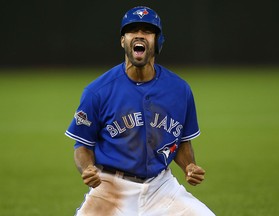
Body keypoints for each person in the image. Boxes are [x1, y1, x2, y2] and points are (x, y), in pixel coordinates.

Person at [65, 6, 215, 216]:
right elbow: (82, 145)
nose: (139, 35)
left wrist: (189, 166)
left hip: (161, 188)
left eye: (147, 31)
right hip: (110, 189)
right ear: (123, 41)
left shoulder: (180, 90)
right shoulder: (97, 91)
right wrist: (87, 168)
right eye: (132, 30)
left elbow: (181, 141)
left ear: (158, 41)